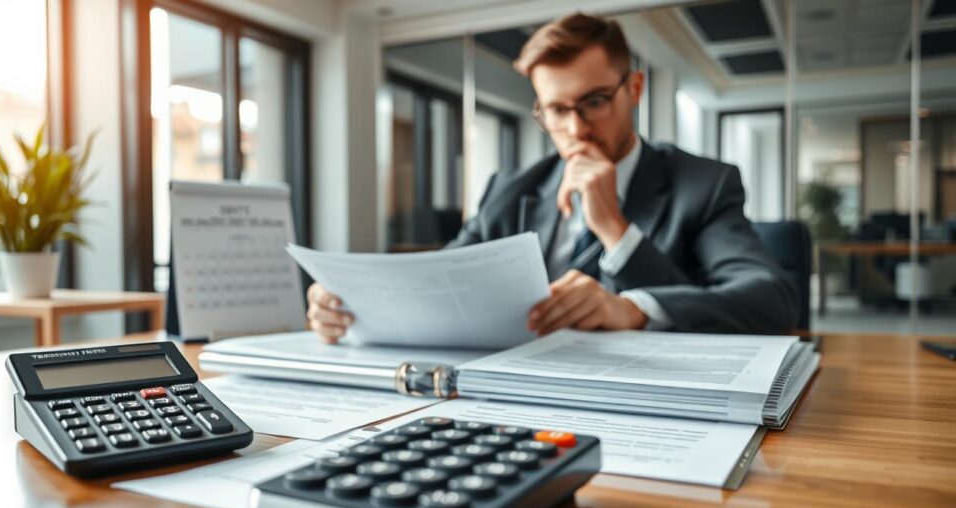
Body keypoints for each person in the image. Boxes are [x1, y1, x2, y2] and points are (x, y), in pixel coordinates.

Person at [306, 12, 798, 344]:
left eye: (595, 102)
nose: (576, 128)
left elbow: (772, 303)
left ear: (635, 89)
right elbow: (438, 282)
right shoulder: (512, 187)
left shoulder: (702, 185)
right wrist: (348, 301)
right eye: (558, 111)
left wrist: (620, 250)